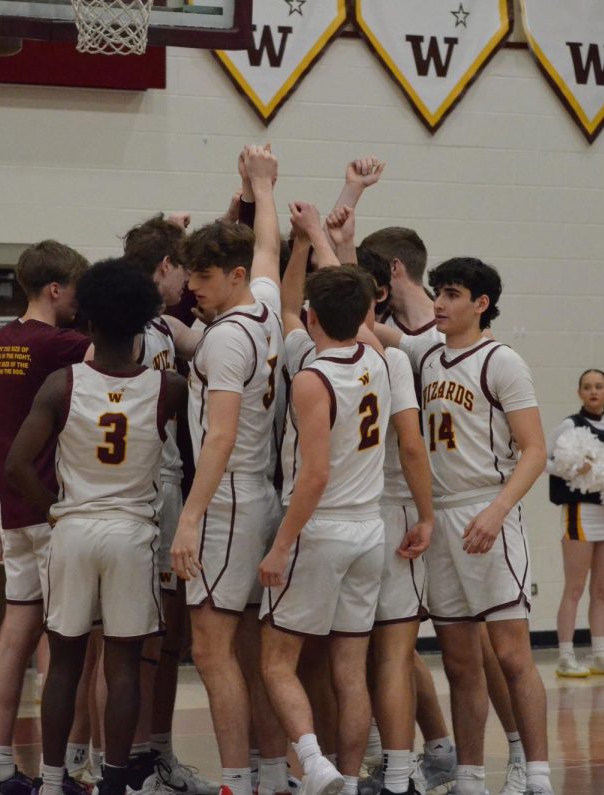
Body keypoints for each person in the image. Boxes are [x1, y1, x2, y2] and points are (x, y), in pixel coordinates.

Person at [5, 258, 187, 795]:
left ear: (86, 326)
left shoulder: (63, 385)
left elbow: (15, 465)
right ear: (142, 327)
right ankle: (113, 781)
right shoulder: (168, 387)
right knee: (124, 665)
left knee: (65, 663)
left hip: (75, 530)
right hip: (133, 532)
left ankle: (55, 781)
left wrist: (54, 506)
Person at [373, 258, 554, 795]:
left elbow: (535, 450)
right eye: (437, 293)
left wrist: (497, 511)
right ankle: (471, 777)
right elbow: (355, 320)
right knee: (458, 661)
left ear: (481, 303)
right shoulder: (424, 350)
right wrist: (331, 237)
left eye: (452, 294)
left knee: (512, 655)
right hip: (440, 517)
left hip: (487, 512)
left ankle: (538, 774)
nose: (440, 303)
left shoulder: (503, 362)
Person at [285, 207, 435, 795]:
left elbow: (320, 303)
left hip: (346, 514)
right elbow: (414, 446)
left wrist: (316, 237)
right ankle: (394, 768)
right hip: (386, 518)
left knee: (333, 658)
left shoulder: (326, 360)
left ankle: (354, 767)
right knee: (383, 656)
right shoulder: (388, 357)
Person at [169, 145, 284, 795]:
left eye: (203, 278)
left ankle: (237, 780)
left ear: (232, 276)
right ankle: (266, 775)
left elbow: (217, 436)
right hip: (256, 492)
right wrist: (259, 186)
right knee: (244, 652)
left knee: (214, 653)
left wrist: (189, 520)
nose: (192, 289)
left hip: (229, 498)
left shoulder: (225, 336)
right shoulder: (263, 302)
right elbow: (267, 246)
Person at [259, 262, 393, 795]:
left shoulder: (312, 379)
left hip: (321, 531)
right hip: (369, 530)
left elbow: (314, 475)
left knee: (275, 662)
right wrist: (321, 239)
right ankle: (351, 778)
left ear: (312, 316)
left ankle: (314, 767)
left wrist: (280, 545)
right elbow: (329, 306)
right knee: (350, 668)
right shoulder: (379, 360)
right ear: (364, 314)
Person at [0, 240, 92, 795]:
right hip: (53, 511)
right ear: (56, 290)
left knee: (15, 636)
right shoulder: (64, 344)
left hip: (9, 513)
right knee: (68, 647)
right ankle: (63, 772)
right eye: (77, 291)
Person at [121, 214, 220, 795]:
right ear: (164, 267)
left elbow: (215, 339)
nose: (189, 282)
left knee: (167, 632)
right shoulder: (125, 330)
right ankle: (130, 760)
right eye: (184, 268)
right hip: (142, 492)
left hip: (163, 487)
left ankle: (154, 752)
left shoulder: (158, 323)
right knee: (142, 636)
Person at [549, 368, 604, 678]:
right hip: (579, 513)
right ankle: (565, 656)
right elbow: (542, 460)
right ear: (579, 393)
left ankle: (600, 653)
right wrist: (572, 469)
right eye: (587, 387)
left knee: (601, 589)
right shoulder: (569, 426)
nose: (593, 391)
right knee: (574, 588)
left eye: (599, 386)